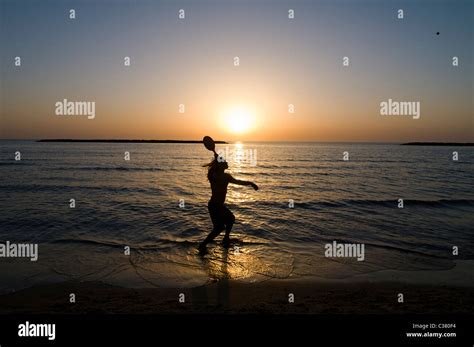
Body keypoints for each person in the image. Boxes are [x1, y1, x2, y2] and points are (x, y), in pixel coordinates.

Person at [198, 155, 258, 253]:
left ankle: (224, 239)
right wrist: (251, 183)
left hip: (216, 205)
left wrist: (250, 183)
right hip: (214, 205)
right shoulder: (216, 176)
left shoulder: (223, 176)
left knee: (228, 221)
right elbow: (217, 176)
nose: (227, 162)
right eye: (224, 162)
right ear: (220, 165)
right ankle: (204, 245)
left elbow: (238, 182)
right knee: (221, 226)